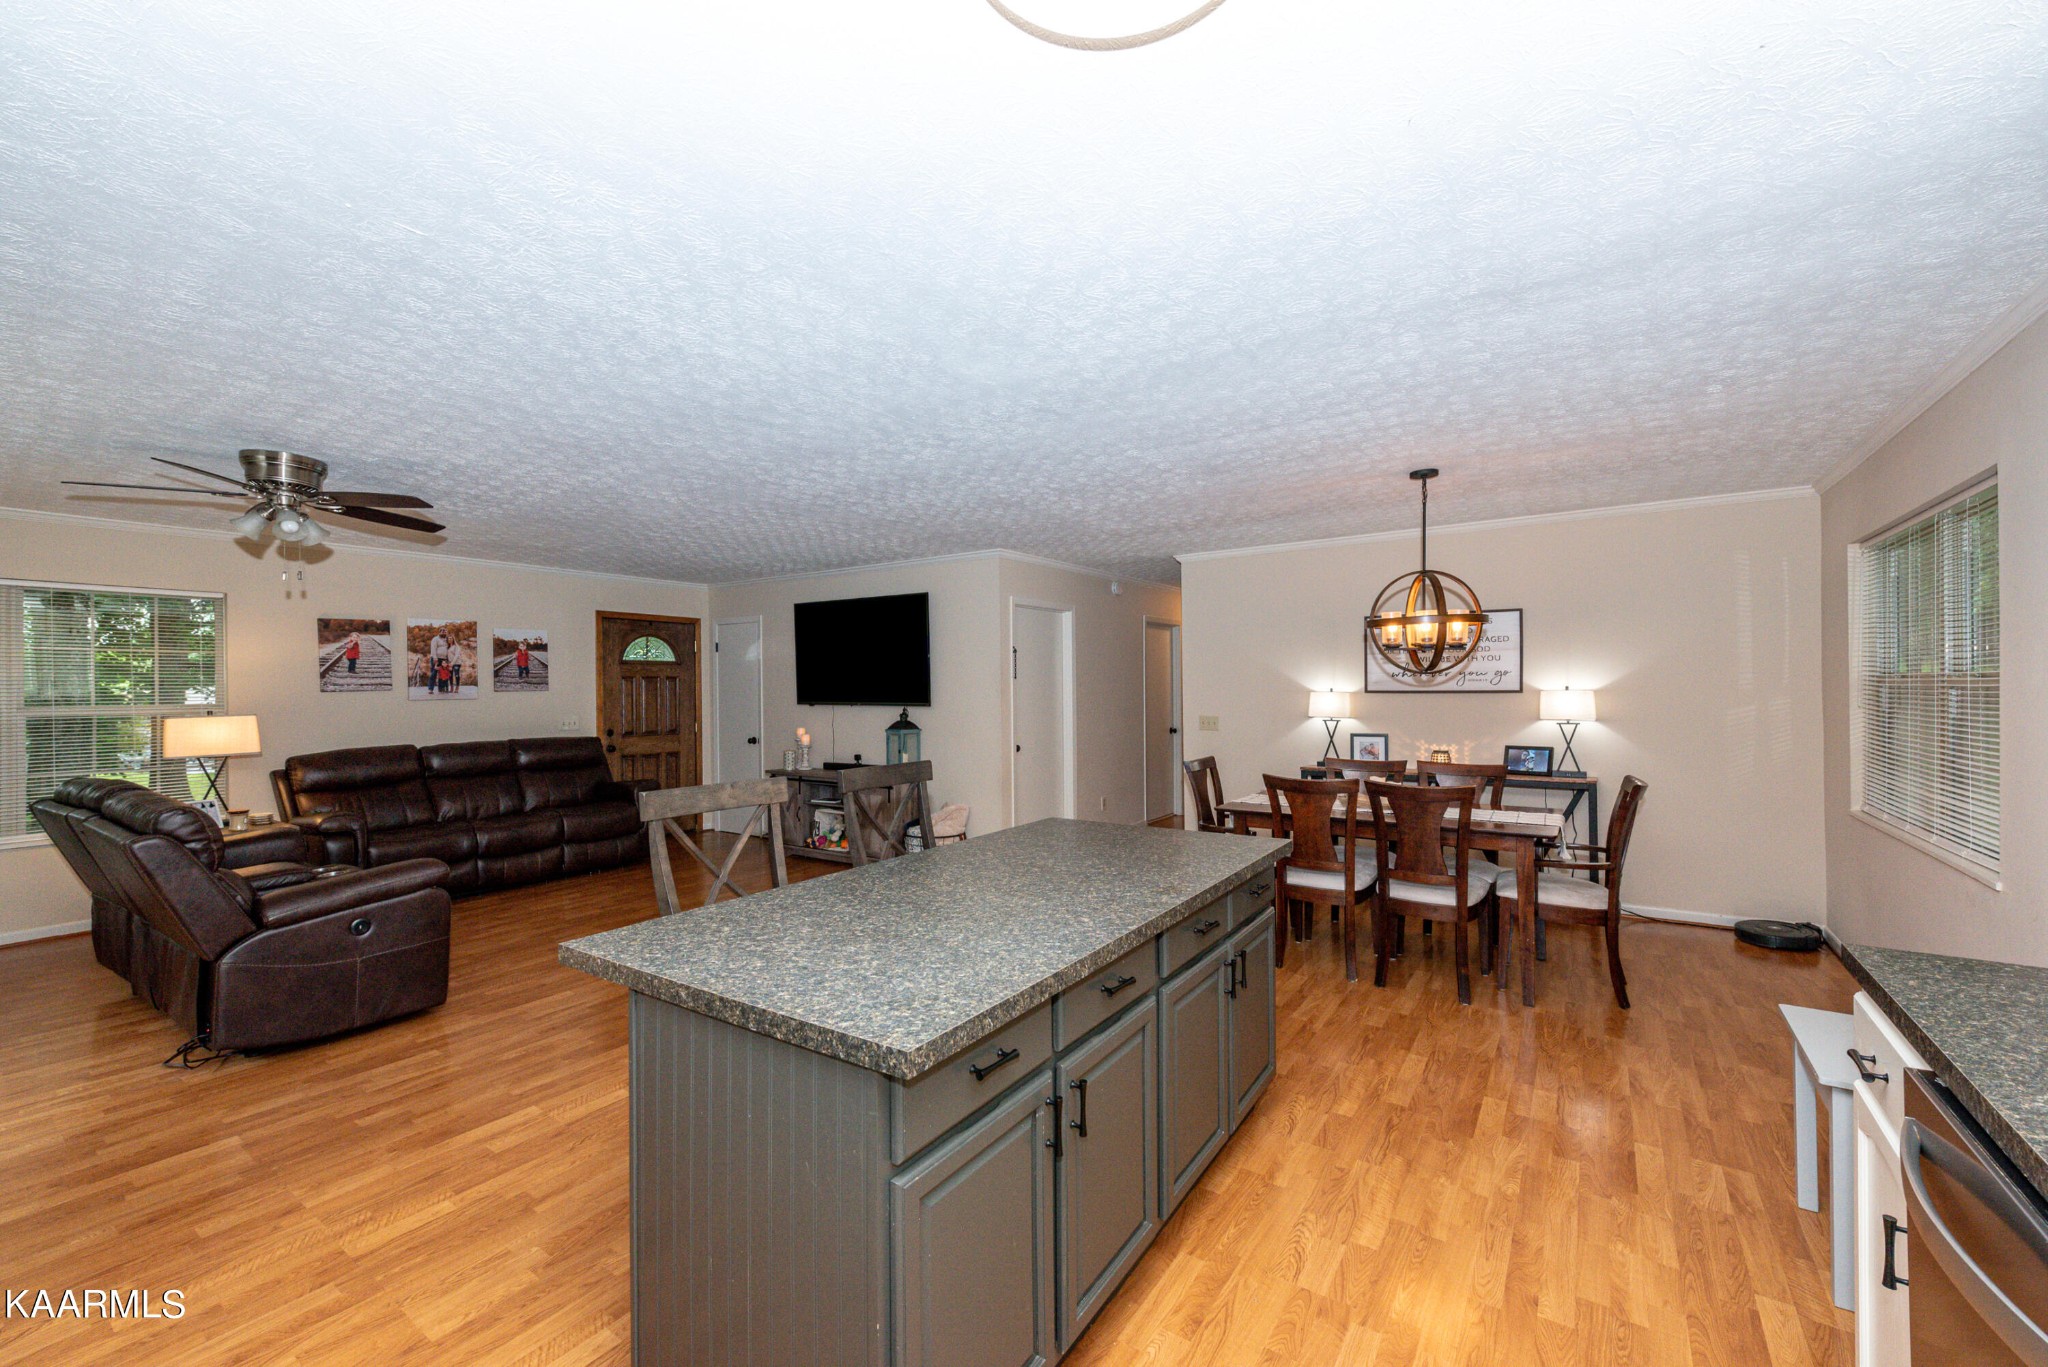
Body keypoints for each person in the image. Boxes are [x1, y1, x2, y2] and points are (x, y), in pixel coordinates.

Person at [428, 630, 450, 694]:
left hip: (444, 659)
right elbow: (433, 648)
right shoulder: (435, 639)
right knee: (433, 673)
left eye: (445, 632)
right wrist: (435, 657)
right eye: (442, 632)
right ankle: (430, 689)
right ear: (439, 632)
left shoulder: (446, 639)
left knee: (442, 674)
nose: (444, 633)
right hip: (436, 658)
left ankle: (441, 689)